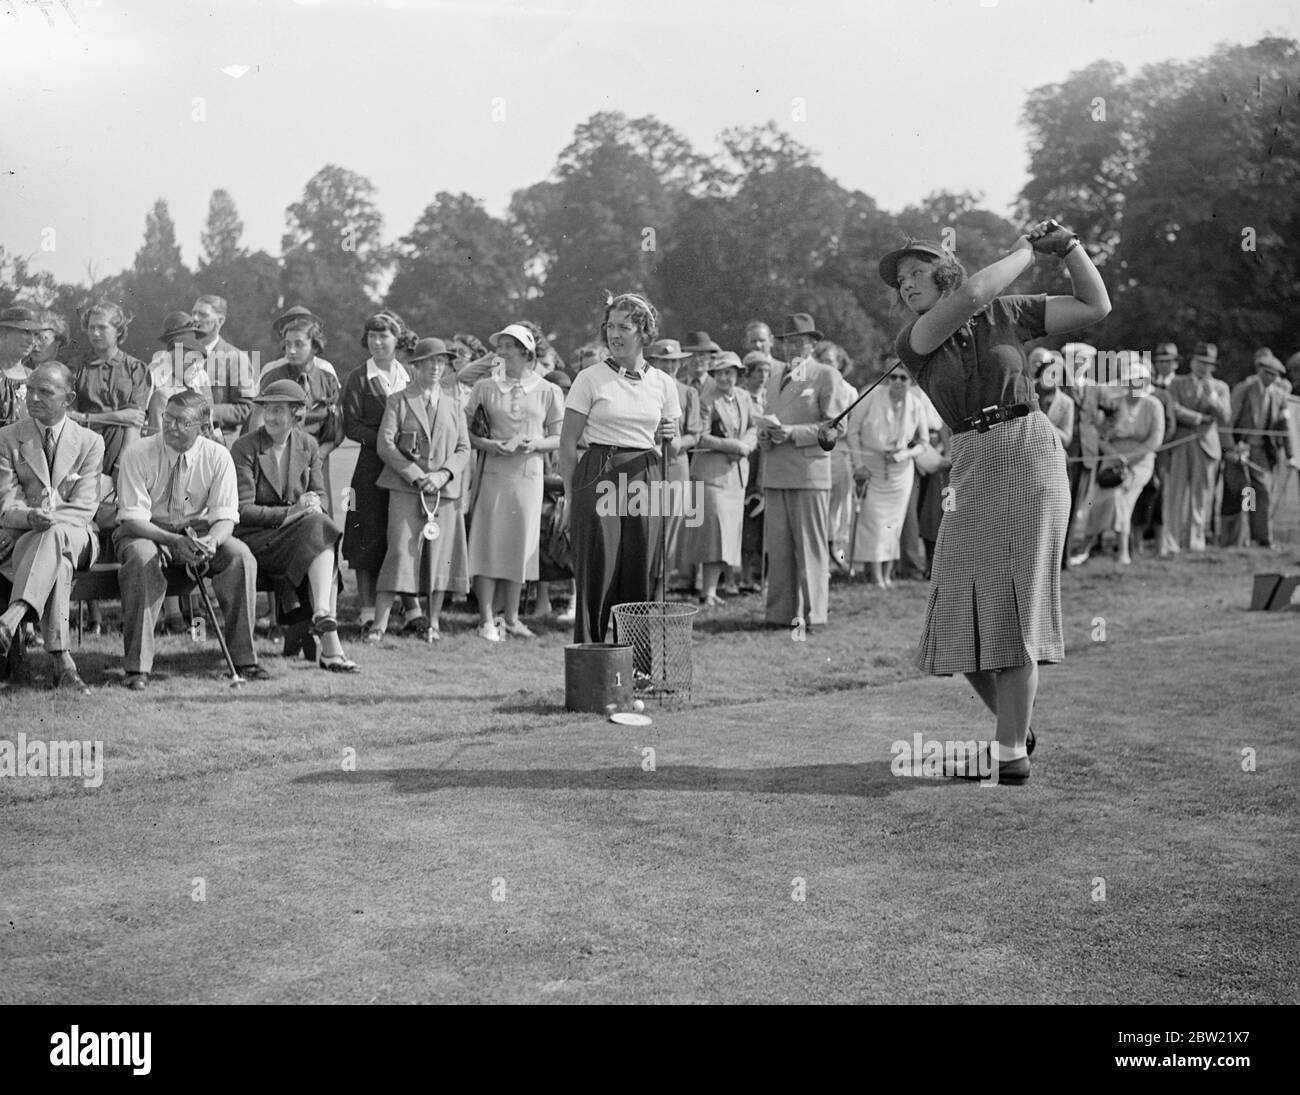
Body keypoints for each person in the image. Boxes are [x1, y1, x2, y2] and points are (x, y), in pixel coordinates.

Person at [882, 223, 1111, 785]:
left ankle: (1010, 752)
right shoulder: (913, 338)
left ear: (945, 270)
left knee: (1017, 606)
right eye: (901, 279)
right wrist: (1029, 251)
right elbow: (974, 296)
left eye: (917, 272)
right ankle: (1017, 729)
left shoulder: (1007, 311)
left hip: (1029, 451)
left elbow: (1095, 305)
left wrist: (1072, 248)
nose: (907, 284)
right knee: (955, 613)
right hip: (973, 461)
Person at [113, 389, 267, 689]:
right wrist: (172, 541)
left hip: (196, 531)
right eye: (166, 418)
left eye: (182, 422)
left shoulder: (218, 456)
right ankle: (137, 669)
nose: (170, 426)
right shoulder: (138, 452)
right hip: (146, 531)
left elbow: (225, 516)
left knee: (240, 556)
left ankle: (245, 660)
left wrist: (212, 541)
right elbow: (132, 519)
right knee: (142, 558)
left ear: (202, 425)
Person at [558, 292, 680, 644]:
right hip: (599, 471)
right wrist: (569, 496)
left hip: (646, 472)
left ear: (643, 331)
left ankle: (637, 669)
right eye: (610, 326)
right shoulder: (590, 378)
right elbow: (568, 443)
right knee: (599, 569)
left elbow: (672, 445)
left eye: (624, 326)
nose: (615, 334)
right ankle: (592, 666)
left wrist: (671, 434)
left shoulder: (663, 383)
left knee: (641, 570)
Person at [231, 380, 358, 672]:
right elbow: (243, 510)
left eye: (278, 410)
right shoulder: (245, 448)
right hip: (257, 540)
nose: (271, 417)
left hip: (299, 537)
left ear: (296, 414)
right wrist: (294, 511)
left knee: (321, 527)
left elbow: (321, 495)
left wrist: (314, 506)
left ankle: (325, 624)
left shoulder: (308, 445)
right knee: (321, 533)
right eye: (267, 410)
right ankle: (329, 639)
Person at [0, 363, 105, 693]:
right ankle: (63, 665)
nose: (33, 397)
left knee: (57, 534)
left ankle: (12, 616)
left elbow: (85, 506)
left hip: (79, 537)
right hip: (29, 539)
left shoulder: (90, 442)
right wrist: (31, 518)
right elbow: (6, 504)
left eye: (45, 391)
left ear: (68, 398)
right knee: (57, 563)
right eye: (29, 389)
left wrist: (46, 520)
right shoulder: (7, 439)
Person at [464, 325, 564, 640]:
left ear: (526, 351)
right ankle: (485, 620)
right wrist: (488, 445)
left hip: (529, 476)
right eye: (501, 345)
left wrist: (535, 444)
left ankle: (511, 618)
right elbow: (464, 430)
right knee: (487, 542)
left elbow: (559, 437)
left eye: (508, 346)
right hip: (493, 472)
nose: (501, 351)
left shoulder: (549, 390)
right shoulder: (484, 386)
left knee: (520, 545)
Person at [370, 337, 471, 641]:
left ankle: (434, 622)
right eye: (429, 362)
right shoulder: (399, 400)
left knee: (440, 557)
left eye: (441, 362)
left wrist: (443, 475)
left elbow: (464, 448)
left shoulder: (454, 404)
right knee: (400, 552)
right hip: (405, 489)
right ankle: (379, 624)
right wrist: (415, 475)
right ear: (416, 366)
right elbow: (385, 445)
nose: (436, 368)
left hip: (444, 492)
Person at [758, 313, 850, 631]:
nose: (792, 348)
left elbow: (835, 425)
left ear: (812, 344)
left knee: (810, 547)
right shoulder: (773, 378)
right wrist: (767, 435)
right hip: (776, 471)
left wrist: (792, 433)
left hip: (809, 472)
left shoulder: (826, 375)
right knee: (779, 548)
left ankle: (815, 615)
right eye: (786, 342)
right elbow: (768, 417)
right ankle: (779, 613)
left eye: (799, 341)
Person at [341, 312, 412, 636]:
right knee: (366, 535)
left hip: (406, 469)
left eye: (384, 336)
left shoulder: (409, 376)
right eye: (372, 336)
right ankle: (368, 609)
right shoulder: (358, 377)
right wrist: (386, 441)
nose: (378, 342)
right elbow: (351, 426)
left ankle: (411, 609)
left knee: (403, 535)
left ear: (397, 339)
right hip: (370, 467)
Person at [682, 351, 756, 605]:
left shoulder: (744, 397)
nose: (725, 378)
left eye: (730, 372)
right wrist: (733, 446)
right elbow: (700, 436)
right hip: (710, 476)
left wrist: (746, 444)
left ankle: (715, 590)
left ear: (738, 375)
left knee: (727, 536)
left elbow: (754, 427)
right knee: (712, 534)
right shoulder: (706, 400)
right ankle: (707, 591)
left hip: (735, 476)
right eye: (721, 373)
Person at [847, 363, 927, 588]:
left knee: (894, 523)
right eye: (893, 378)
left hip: (900, 472)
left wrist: (905, 454)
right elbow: (853, 431)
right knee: (873, 521)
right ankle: (874, 574)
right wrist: (858, 465)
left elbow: (923, 442)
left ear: (911, 382)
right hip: (871, 466)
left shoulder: (916, 404)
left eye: (903, 378)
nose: (898, 382)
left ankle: (888, 573)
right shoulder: (871, 396)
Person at [1078, 357, 1164, 565]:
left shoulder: (1154, 405)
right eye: (1130, 380)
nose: (1133, 384)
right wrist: (1115, 456)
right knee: (1098, 498)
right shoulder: (1115, 404)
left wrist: (1130, 459)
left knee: (1119, 497)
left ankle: (1123, 551)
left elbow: (1155, 440)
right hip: (1113, 459)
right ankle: (1085, 546)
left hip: (1140, 463)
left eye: (1137, 380)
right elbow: (1100, 435)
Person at [644, 338, 702, 594]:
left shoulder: (688, 393)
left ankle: (660, 591)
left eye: (674, 362)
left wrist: (679, 441)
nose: (669, 367)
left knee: (671, 530)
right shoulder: (641, 389)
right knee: (647, 528)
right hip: (646, 467)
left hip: (676, 467)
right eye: (663, 362)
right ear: (653, 362)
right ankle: (641, 587)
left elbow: (695, 433)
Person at [1221, 348, 1292, 548]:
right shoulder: (1244, 389)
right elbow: (1228, 421)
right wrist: (1231, 449)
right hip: (1241, 449)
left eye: (1274, 375)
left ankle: (1262, 537)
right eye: (1267, 373)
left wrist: (1291, 454)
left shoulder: (1279, 395)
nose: (1271, 378)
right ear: (1259, 371)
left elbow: (1284, 427)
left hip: (1264, 453)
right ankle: (1239, 539)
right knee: (1244, 493)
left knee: (1263, 494)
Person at [1165, 342, 1231, 553]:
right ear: (1192, 361)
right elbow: (1173, 407)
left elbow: (1225, 416)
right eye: (1201, 362)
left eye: (1209, 364)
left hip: (1207, 446)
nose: (1204, 368)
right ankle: (1172, 541)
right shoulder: (1177, 382)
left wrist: (1212, 397)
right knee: (1176, 494)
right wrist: (1199, 418)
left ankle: (1196, 540)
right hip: (1182, 443)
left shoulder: (1220, 387)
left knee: (1201, 496)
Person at [253, 315, 344, 461]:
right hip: (278, 458)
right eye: (288, 344)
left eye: (299, 344)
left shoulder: (328, 380)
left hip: (317, 460)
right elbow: (257, 424)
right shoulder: (273, 377)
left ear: (315, 346)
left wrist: (317, 456)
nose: (292, 351)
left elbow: (337, 429)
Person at [192, 294, 256, 446]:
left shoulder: (236, 358)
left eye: (202, 314)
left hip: (220, 442)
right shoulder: (182, 355)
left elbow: (247, 408)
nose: (194, 318)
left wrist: (208, 413)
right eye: (193, 313)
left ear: (220, 320)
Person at [0, 305, 41, 427]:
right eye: (26, 332)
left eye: (35, 334)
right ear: (4, 333)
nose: (32, 341)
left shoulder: (36, 377)